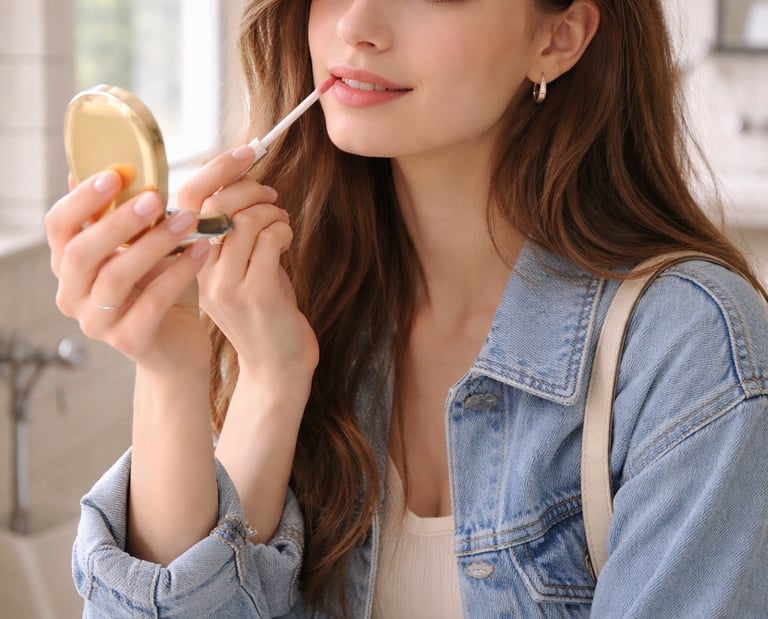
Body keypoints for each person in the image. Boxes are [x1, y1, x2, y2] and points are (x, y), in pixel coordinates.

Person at [45, 0, 768, 617]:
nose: (355, 24)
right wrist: (189, 370)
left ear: (558, 38)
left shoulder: (692, 348)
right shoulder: (294, 296)